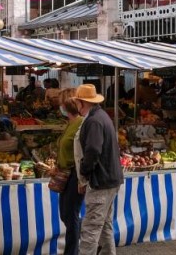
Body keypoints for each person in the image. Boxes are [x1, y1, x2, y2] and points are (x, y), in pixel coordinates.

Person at [74, 84, 123, 255]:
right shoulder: (101, 116)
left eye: (77, 103)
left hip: (100, 181)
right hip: (110, 179)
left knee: (90, 230)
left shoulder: (94, 120)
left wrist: (85, 172)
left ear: (81, 102)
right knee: (104, 225)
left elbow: (93, 150)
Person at [55, 88, 84, 255]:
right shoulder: (70, 123)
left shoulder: (81, 123)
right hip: (64, 174)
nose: (59, 105)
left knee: (70, 214)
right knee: (65, 215)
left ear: (67, 104)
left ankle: (72, 251)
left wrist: (82, 178)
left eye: (61, 102)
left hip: (75, 174)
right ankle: (85, 236)